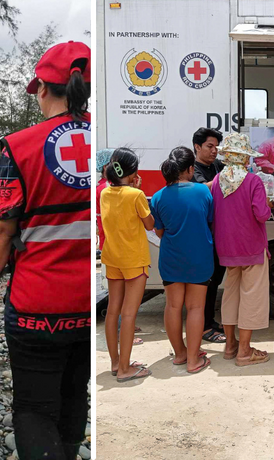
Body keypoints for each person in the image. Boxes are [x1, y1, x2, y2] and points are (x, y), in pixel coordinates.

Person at [0, 41, 91, 459]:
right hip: (89, 304)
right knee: (73, 395)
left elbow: (2, 233)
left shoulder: (20, 146)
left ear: (42, 89)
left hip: (37, 307)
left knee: (34, 408)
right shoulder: (103, 138)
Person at [151, 147, 213, 373]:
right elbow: (209, 220)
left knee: (173, 306)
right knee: (196, 308)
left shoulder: (158, 196)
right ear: (190, 169)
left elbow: (159, 232)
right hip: (199, 257)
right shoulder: (203, 192)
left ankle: (180, 354)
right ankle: (194, 360)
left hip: (171, 258)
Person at [211, 133, 272, 366]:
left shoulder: (216, 181)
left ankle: (230, 346)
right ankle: (245, 352)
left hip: (226, 248)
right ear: (245, 157)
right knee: (251, 298)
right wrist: (267, 205)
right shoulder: (253, 181)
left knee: (230, 295)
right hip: (251, 247)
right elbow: (261, 214)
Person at [100, 148, 154, 383]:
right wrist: (139, 190)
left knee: (113, 312)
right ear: (133, 172)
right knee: (129, 314)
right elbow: (150, 224)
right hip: (134, 260)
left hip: (112, 258)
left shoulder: (104, 193)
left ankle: (115, 363)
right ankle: (125, 369)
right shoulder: (136, 195)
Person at [190, 127, 227, 343]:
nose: (214, 151)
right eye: (209, 146)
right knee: (205, 284)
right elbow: (203, 189)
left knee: (214, 283)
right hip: (203, 236)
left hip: (219, 233)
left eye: (216, 147)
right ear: (197, 147)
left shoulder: (217, 165)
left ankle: (209, 321)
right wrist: (226, 176)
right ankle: (204, 328)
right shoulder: (193, 169)